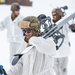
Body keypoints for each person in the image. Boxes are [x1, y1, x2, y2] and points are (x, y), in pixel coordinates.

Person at [51, 8, 74, 75]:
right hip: (53, 52)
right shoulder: (50, 24)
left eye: (55, 14)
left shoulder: (65, 24)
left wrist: (73, 27)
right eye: (52, 14)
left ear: (59, 15)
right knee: (54, 68)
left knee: (63, 69)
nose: (53, 16)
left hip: (63, 51)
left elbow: (71, 29)